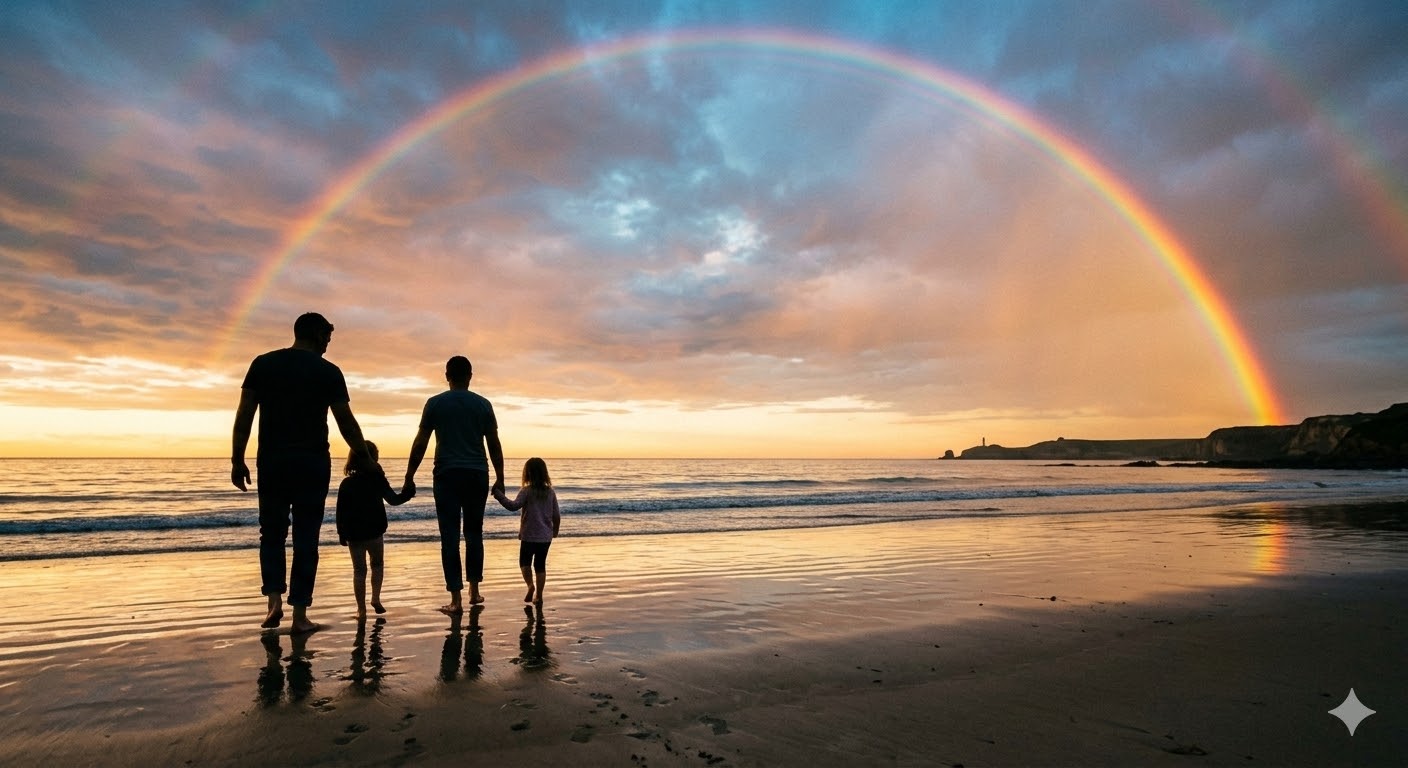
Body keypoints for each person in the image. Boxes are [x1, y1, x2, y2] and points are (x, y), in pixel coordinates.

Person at [231, 312, 368, 634]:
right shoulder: (329, 372)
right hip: (312, 463)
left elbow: (244, 416)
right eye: (328, 339)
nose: (328, 346)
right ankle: (300, 615)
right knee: (307, 538)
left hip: (272, 462)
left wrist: (237, 460)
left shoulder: (263, 364)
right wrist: (365, 457)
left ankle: (273, 602)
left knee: (272, 533)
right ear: (319, 335)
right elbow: (346, 423)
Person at [403, 356, 505, 614]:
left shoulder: (435, 404)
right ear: (470, 376)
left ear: (446, 375)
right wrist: (500, 477)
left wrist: (409, 476)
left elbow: (420, 442)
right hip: (477, 474)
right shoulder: (483, 405)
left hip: (447, 475)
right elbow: (494, 444)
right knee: (474, 533)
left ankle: (456, 599)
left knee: (449, 537)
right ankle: (475, 590)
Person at [335, 440, 414, 620]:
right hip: (374, 530)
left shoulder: (346, 484)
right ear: (374, 459)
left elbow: (340, 511)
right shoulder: (377, 479)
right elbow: (393, 500)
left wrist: (341, 533)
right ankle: (376, 598)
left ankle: (361, 609)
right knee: (377, 564)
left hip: (354, 534)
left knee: (359, 570)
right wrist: (408, 494)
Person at [492, 457, 561, 605]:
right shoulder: (550, 492)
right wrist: (555, 531)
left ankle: (530, 586)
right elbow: (556, 515)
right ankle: (539, 596)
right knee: (540, 565)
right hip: (545, 537)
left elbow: (513, 506)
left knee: (524, 562)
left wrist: (499, 496)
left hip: (529, 535)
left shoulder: (526, 491)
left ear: (527, 474)